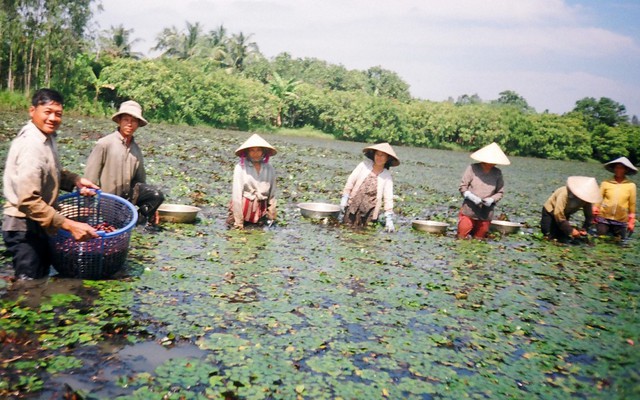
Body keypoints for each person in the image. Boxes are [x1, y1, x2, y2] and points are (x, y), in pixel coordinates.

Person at [2, 89, 99, 279]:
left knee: (39, 276)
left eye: (58, 114)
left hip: (39, 222)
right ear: (32, 111)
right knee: (28, 285)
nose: (53, 118)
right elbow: (28, 201)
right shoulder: (31, 145)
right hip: (23, 227)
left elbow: (50, 170)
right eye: (47, 112)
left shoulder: (46, 138)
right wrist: (69, 225)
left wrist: (75, 180)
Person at [85, 100, 164, 228]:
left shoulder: (136, 149)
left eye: (133, 121)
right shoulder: (105, 144)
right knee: (114, 225)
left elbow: (140, 181)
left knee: (156, 196)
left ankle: (139, 225)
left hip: (128, 199)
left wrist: (152, 208)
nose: (129, 124)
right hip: (108, 201)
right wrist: (88, 207)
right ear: (119, 121)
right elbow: (90, 179)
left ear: (138, 124)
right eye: (126, 120)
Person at [340, 143, 400, 232]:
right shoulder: (363, 165)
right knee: (346, 231)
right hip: (353, 205)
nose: (379, 157)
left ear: (387, 158)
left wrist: (389, 217)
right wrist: (345, 197)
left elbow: (388, 197)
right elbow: (351, 181)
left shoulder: (387, 176)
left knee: (366, 235)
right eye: (377, 154)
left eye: (382, 155)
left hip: (370, 211)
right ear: (374, 155)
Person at [457, 142, 510, 239]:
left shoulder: (497, 173)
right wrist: (471, 196)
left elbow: (500, 192)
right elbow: (463, 187)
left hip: (486, 212)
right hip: (469, 209)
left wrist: (492, 200)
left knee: (479, 239)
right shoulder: (472, 168)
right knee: (462, 235)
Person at [226, 134, 277, 229]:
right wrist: (238, 221)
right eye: (252, 150)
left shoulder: (269, 169)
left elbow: (272, 194)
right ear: (247, 152)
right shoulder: (240, 167)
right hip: (244, 209)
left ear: (263, 152)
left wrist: (272, 214)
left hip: (260, 211)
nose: (255, 153)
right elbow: (237, 195)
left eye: (258, 150)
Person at [541, 176, 602, 243]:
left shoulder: (586, 200)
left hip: (565, 214)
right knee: (548, 235)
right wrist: (570, 230)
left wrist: (584, 228)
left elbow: (589, 215)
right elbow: (558, 213)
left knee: (562, 237)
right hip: (550, 212)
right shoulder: (565, 193)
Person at [593, 156, 637, 239]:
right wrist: (594, 213)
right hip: (604, 218)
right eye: (617, 167)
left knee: (620, 242)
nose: (618, 170)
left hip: (621, 220)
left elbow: (632, 205)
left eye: (621, 168)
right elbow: (598, 200)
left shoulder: (631, 186)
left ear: (626, 170)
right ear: (614, 169)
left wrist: (631, 221)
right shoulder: (605, 183)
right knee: (600, 239)